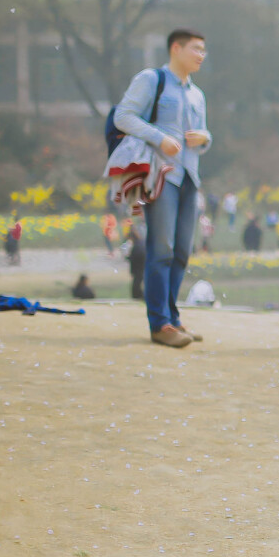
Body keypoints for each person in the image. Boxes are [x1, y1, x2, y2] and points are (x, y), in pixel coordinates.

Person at [113, 28, 212, 348]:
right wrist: (159, 137)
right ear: (176, 49)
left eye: (203, 50)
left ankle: (172, 317)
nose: (201, 55)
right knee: (162, 249)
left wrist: (206, 138)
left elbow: (203, 135)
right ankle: (160, 324)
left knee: (182, 251)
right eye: (196, 49)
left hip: (190, 177)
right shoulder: (151, 80)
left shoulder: (197, 95)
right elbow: (123, 116)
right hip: (161, 176)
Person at [125, 219, 146, 300]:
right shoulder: (141, 243)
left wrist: (129, 258)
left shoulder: (137, 246)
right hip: (142, 266)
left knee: (137, 282)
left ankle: (137, 295)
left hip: (138, 267)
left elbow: (134, 257)